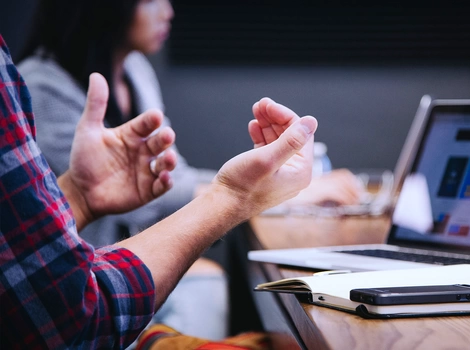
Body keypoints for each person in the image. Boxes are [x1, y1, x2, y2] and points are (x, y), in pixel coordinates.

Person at [17, 0, 362, 339]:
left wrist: (263, 187)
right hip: (78, 288)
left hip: (119, 266)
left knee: (209, 281)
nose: (168, 11)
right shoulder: (42, 86)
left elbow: (168, 178)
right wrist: (262, 193)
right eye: (152, 0)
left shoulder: (135, 69)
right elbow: (153, 198)